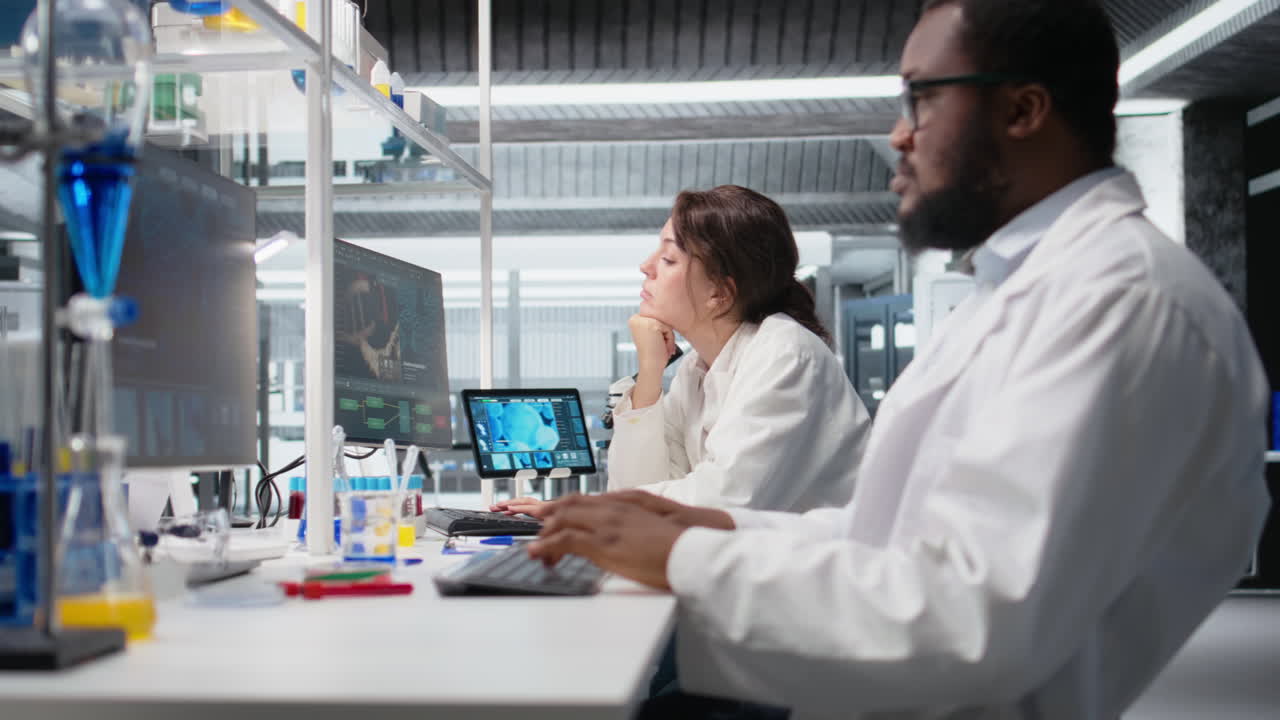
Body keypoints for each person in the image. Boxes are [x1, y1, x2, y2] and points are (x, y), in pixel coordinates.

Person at [524, 1, 1272, 718]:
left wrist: (686, 551)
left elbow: (973, 613)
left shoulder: (1122, 303)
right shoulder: (1027, 290)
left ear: (1022, 110)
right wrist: (695, 525)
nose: (899, 135)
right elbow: (887, 533)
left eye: (921, 100)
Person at [494, 185, 872, 518]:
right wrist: (650, 372)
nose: (645, 267)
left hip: (811, 583)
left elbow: (725, 500)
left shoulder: (785, 353)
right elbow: (637, 486)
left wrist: (587, 510)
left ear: (719, 293)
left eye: (669, 259)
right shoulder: (695, 368)